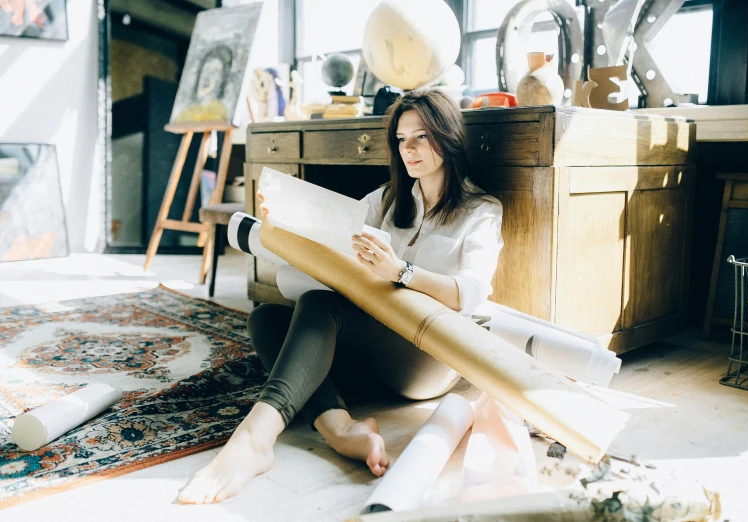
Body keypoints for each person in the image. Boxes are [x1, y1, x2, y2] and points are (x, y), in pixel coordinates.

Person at [178, 89, 504, 504]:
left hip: (429, 357)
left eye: (421, 136)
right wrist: (281, 219)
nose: (409, 149)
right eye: (402, 139)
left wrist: (400, 272)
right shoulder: (389, 199)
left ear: (447, 136)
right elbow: (330, 231)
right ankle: (339, 428)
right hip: (377, 345)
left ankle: (255, 439)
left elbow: (470, 293)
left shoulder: (480, 210)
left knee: (320, 306)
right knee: (266, 319)